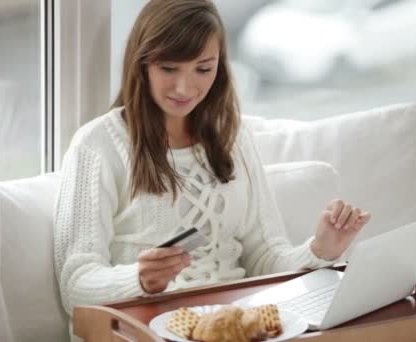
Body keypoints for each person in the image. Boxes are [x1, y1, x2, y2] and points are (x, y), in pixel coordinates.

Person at [54, 0, 370, 321]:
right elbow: (74, 285)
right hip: (145, 324)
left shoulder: (233, 138)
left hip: (235, 322)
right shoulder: (98, 145)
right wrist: (138, 278)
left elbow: (265, 257)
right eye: (168, 68)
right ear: (142, 63)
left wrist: (320, 250)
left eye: (203, 69)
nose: (184, 87)